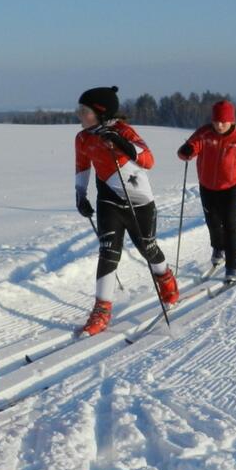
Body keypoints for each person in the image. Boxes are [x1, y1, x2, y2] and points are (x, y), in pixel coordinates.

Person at [74, 86, 178, 335]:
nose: (79, 115)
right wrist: (80, 195)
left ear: (101, 113)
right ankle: (101, 310)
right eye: (79, 109)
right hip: (108, 199)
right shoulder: (83, 138)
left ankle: (165, 278)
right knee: (108, 251)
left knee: (147, 248)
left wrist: (120, 142)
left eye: (84, 111)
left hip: (139, 201)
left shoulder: (123, 131)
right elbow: (82, 166)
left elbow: (148, 160)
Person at [177, 101, 236, 283]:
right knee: (212, 222)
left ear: (232, 121)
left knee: (229, 225)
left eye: (224, 121)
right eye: (216, 121)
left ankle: (232, 267)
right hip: (207, 185)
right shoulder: (204, 133)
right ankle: (218, 247)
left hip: (231, 187)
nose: (219, 125)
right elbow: (188, 150)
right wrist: (186, 151)